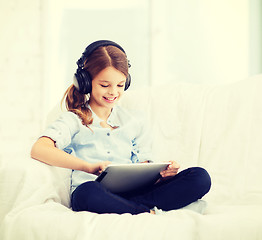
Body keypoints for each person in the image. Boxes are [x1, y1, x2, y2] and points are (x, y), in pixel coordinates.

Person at [31, 40, 211, 215]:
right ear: (85, 81)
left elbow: (143, 165)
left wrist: (163, 175)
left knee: (200, 177)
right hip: (94, 191)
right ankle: (147, 211)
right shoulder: (74, 119)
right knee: (87, 194)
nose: (113, 92)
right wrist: (88, 167)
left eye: (120, 85)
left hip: (136, 192)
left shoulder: (135, 120)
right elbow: (39, 149)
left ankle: (132, 209)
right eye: (104, 85)